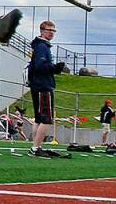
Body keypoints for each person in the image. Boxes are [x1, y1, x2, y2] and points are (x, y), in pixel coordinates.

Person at [28, 20, 66, 158]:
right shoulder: (42, 47)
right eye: (49, 30)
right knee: (46, 119)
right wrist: (54, 68)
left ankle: (36, 146)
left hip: (37, 84)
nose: (51, 32)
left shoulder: (39, 46)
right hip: (43, 85)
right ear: (42, 31)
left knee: (38, 119)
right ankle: (35, 147)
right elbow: (40, 66)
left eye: (53, 30)